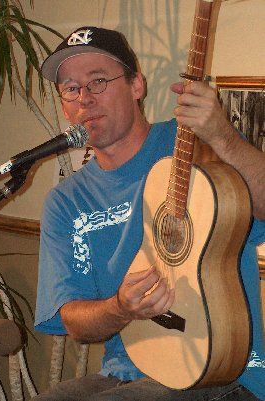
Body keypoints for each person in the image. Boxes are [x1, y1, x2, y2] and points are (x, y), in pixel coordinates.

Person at [33, 26, 265, 401]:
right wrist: (120, 307)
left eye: (98, 81)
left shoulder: (196, 147)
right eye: (71, 89)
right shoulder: (66, 202)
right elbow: (73, 320)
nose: (85, 99)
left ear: (136, 85)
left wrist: (223, 137)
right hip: (125, 371)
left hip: (222, 369)